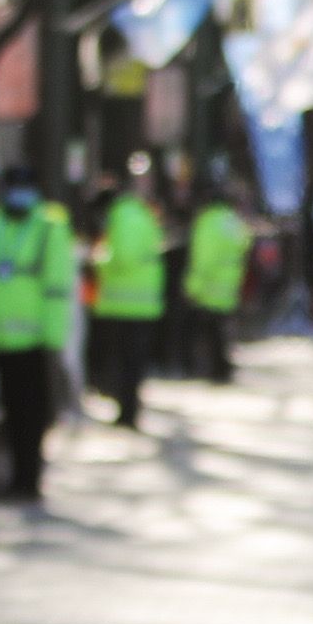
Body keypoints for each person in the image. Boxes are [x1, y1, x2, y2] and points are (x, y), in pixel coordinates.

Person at [0, 168, 75, 498]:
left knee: (34, 414)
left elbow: (57, 286)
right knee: (10, 412)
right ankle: (17, 478)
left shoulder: (50, 227)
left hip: (35, 341)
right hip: (0, 339)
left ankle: (29, 477)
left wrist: (53, 339)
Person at [89, 162, 168, 429]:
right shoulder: (142, 214)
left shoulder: (122, 217)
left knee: (125, 362)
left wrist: (98, 261)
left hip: (123, 303)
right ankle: (129, 410)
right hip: (144, 302)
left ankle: (127, 412)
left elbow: (121, 257)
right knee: (134, 362)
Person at [180, 182, 251, 385]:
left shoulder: (207, 221)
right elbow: (244, 244)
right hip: (230, 283)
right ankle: (223, 368)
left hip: (208, 286)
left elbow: (203, 257)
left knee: (205, 331)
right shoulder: (233, 220)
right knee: (222, 330)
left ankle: (208, 369)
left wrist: (193, 286)